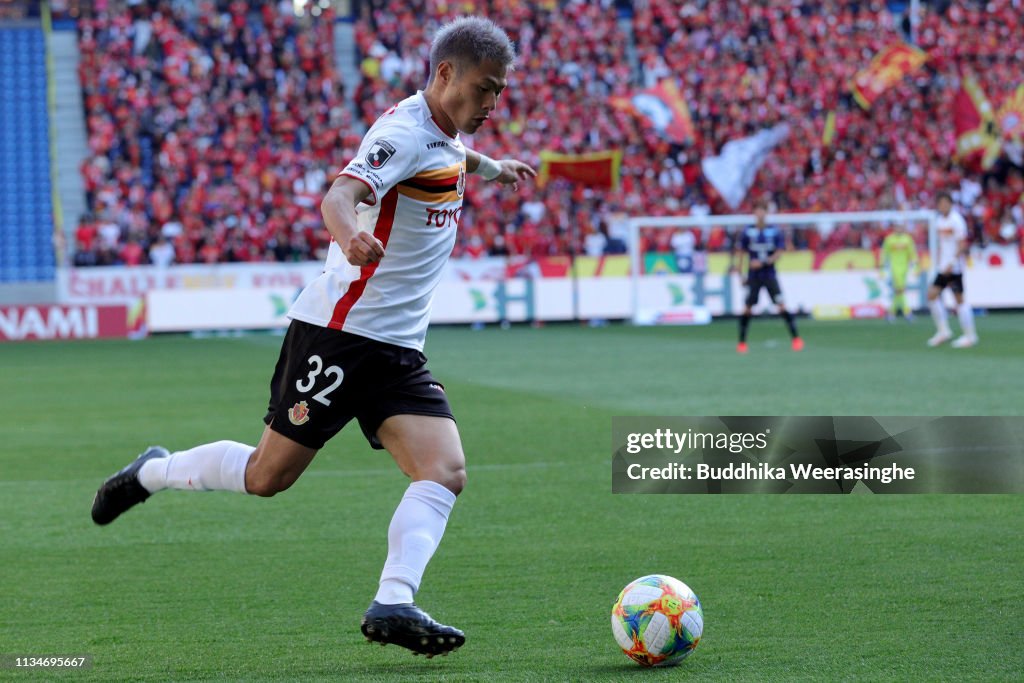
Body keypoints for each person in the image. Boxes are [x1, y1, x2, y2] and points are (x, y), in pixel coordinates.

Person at [90, 17, 535, 658]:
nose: (492, 103)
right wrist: (350, 233)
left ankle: (395, 601)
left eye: (499, 92)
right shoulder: (402, 134)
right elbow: (341, 194)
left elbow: (448, 153)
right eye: (485, 89)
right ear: (444, 75)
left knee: (444, 470)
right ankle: (153, 473)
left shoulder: (442, 133)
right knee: (268, 476)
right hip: (339, 336)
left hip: (396, 349)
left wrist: (491, 168)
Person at [731, 201, 803, 353]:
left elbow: (779, 253)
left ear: (766, 213)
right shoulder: (748, 231)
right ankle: (742, 343)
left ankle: (796, 339)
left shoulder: (774, 231)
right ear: (754, 213)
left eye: (762, 211)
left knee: (781, 306)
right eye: (757, 211)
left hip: (769, 275)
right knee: (747, 309)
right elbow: (741, 254)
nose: (760, 214)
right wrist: (740, 274)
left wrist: (763, 262)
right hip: (753, 276)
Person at [927, 192, 978, 348]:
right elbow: (943, 244)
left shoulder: (957, 220)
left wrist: (953, 261)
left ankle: (970, 335)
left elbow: (962, 244)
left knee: (959, 300)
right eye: (940, 204)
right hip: (943, 266)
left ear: (950, 204)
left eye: (945, 203)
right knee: (932, 295)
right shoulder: (939, 221)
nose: (943, 206)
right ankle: (944, 331)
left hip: (954, 267)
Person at [879, 222, 917, 322]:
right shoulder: (889, 239)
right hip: (894, 268)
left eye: (900, 227)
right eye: (897, 227)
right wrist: (882, 268)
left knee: (898, 291)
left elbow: (912, 254)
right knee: (900, 290)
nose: (898, 229)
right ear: (894, 228)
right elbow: (884, 254)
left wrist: (916, 266)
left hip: (905, 268)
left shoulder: (907, 239)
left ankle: (891, 312)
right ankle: (907, 312)